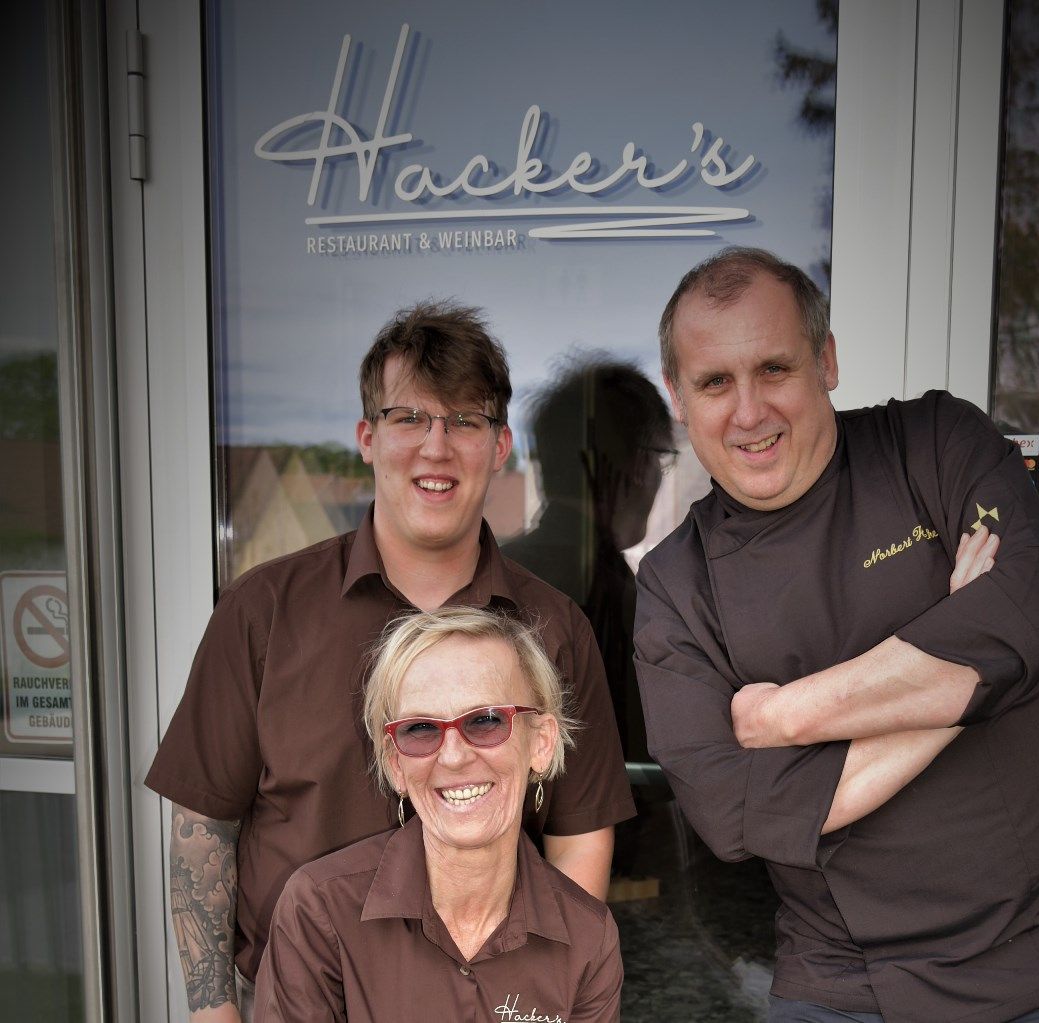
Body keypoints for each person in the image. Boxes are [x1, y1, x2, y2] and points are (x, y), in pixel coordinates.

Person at [633, 247, 1039, 1022]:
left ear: (827, 360)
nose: (749, 411)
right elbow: (735, 811)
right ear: (679, 396)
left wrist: (786, 716)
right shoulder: (678, 586)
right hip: (849, 981)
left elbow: (1025, 612)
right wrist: (964, 670)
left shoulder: (938, 445)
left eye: (774, 368)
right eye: (715, 381)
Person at [146, 301, 633, 1021]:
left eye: (465, 420)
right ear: (367, 438)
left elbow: (579, 832)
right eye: (410, 419)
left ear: (500, 447)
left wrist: (548, 994)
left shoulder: (555, 628)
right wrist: (213, 1013)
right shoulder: (263, 610)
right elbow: (202, 830)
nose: (436, 448)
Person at [255, 607, 623, 1022]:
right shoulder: (319, 909)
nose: (452, 757)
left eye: (486, 721)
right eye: (421, 729)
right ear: (395, 764)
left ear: (540, 742)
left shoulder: (589, 935)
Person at [504, 352, 676, 759]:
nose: (656, 478)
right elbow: (640, 766)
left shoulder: (493, 570)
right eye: (660, 460)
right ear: (637, 465)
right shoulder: (616, 593)